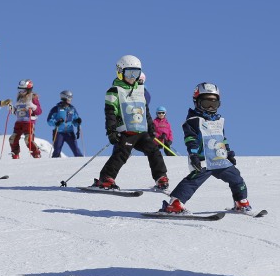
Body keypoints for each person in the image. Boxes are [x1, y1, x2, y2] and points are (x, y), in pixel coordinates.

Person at [161, 82, 250, 214]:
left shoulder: (218, 121)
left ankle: (241, 202)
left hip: (220, 158)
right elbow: (190, 139)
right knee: (193, 181)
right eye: (205, 103)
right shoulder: (193, 120)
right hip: (204, 160)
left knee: (236, 177)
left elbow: (222, 138)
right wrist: (194, 155)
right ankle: (174, 203)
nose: (209, 107)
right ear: (196, 102)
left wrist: (229, 153)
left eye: (213, 104)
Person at [91, 55, 169, 190]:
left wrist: (151, 129)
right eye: (129, 73)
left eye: (136, 73)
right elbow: (110, 113)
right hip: (126, 131)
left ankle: (161, 177)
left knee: (154, 150)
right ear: (120, 72)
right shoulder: (114, 91)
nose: (133, 77)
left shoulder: (140, 90)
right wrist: (112, 131)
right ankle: (106, 178)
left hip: (141, 131)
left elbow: (146, 111)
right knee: (122, 153)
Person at [9, 79, 42, 159]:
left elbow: (39, 111)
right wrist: (12, 109)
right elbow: (17, 112)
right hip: (19, 122)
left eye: (23, 90)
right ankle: (15, 154)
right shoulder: (19, 98)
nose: (21, 92)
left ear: (28, 89)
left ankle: (36, 153)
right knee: (13, 139)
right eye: (19, 89)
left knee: (28, 140)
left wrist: (33, 106)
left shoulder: (33, 98)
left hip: (29, 122)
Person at [46, 90, 83, 158]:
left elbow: (75, 121)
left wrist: (77, 121)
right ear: (65, 98)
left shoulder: (72, 109)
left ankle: (82, 161)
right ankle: (53, 164)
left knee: (76, 150)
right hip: (59, 133)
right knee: (57, 151)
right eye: (70, 98)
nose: (71, 100)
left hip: (69, 132)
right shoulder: (56, 109)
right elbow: (49, 120)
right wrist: (56, 123)